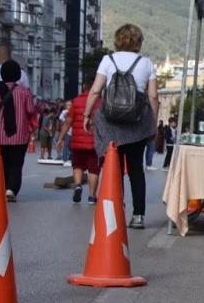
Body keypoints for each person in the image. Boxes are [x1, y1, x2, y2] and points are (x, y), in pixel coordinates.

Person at [84, 23, 161, 229]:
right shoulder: (146, 63)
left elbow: (95, 91)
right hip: (138, 122)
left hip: (111, 122)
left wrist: (87, 114)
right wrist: (152, 122)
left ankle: (115, 212)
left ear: (118, 40)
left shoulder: (107, 60)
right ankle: (138, 216)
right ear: (138, 42)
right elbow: (153, 96)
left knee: (114, 169)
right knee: (136, 169)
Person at [0, 60, 38, 203]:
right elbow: (30, 110)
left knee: (3, 163)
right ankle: (12, 189)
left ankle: (3, 188)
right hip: (20, 134)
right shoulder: (24, 92)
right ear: (17, 75)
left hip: (0, 134)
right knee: (16, 163)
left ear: (2, 74)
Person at [57, 77, 99, 205]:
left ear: (85, 87)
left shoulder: (76, 101)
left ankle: (78, 185)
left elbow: (68, 121)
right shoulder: (101, 102)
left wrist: (61, 138)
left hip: (77, 141)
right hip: (94, 143)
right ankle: (92, 197)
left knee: (78, 165)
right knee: (93, 169)